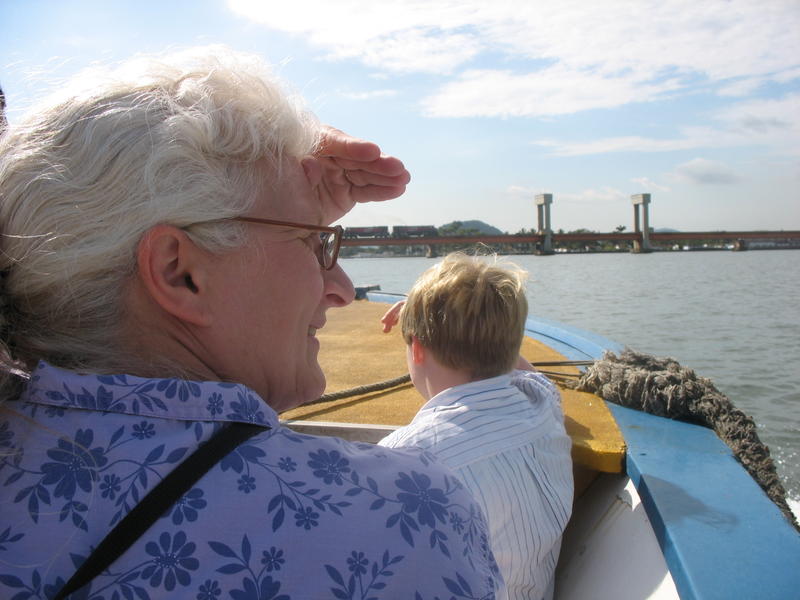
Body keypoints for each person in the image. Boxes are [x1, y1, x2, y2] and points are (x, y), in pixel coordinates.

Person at [0, 48, 503, 599]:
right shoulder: (407, 519)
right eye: (316, 243)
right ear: (180, 273)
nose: (338, 289)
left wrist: (287, 204)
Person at [379, 253, 573, 600]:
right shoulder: (541, 401)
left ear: (417, 348)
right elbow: (525, 371)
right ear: (510, 343)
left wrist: (430, 319)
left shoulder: (403, 459)